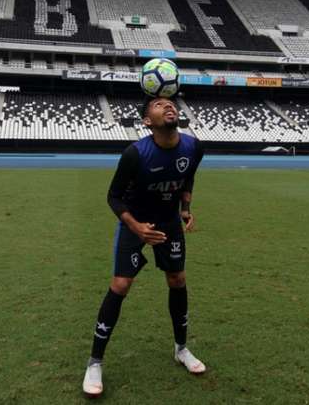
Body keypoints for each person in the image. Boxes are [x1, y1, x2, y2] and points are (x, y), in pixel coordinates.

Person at [82, 96, 206, 397]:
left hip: (168, 223)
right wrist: (135, 226)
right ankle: (94, 362)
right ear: (147, 121)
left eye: (170, 102)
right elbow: (113, 196)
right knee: (121, 284)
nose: (168, 106)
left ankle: (181, 349)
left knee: (177, 279)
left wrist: (186, 209)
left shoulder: (194, 147)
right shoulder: (135, 154)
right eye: (158, 104)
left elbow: (187, 177)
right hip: (136, 223)